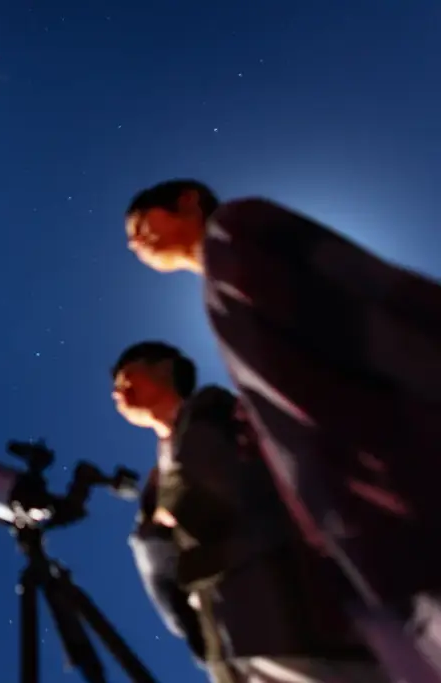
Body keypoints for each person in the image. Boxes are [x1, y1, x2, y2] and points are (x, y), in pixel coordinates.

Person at [122, 180, 441, 681]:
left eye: (141, 224)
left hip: (415, 504)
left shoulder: (240, 235)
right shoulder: (224, 296)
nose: (134, 241)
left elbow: (383, 311)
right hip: (382, 558)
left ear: (186, 200)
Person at [114, 340, 385, 683]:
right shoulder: (158, 481)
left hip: (293, 618)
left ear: (165, 367)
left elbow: (233, 494)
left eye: (127, 377)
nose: (118, 392)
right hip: (234, 641)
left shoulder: (219, 412)